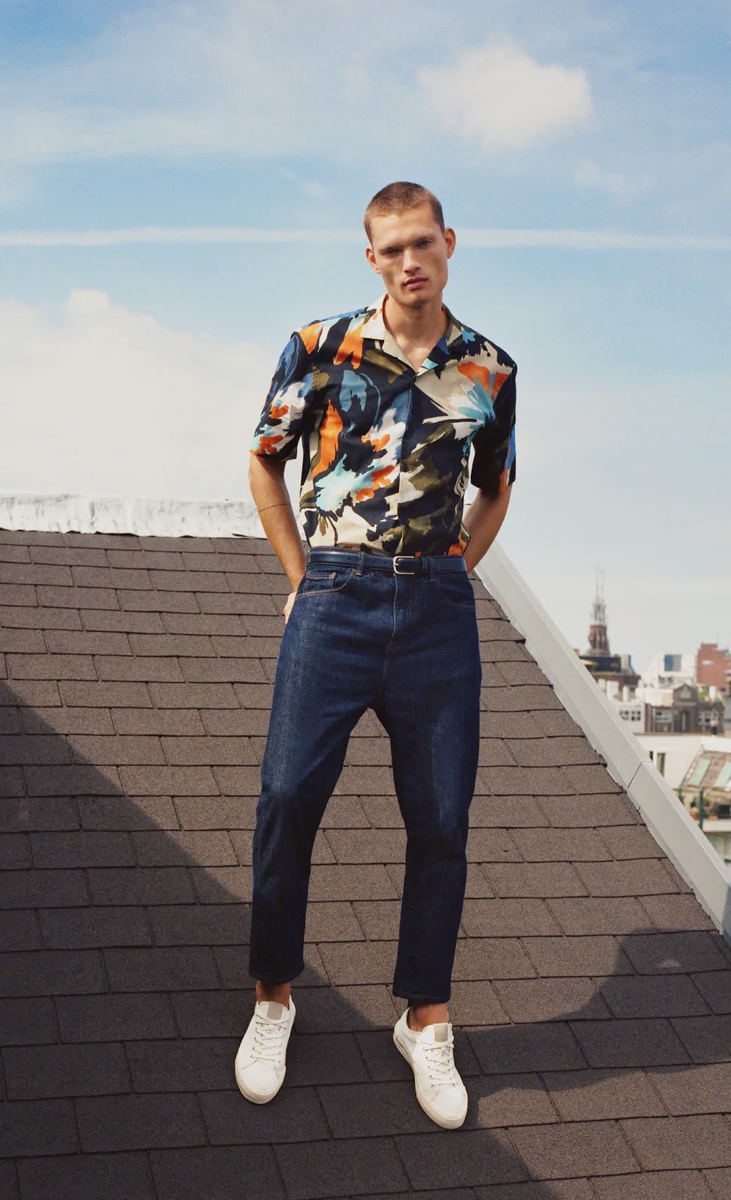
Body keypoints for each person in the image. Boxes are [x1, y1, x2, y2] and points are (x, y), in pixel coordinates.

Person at [235, 181, 516, 1130]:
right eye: (392, 247)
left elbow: (498, 488)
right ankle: (274, 995)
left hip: (436, 607)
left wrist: (454, 575)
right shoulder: (317, 348)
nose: (410, 261)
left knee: (440, 819)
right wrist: (299, 575)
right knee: (285, 796)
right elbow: (263, 462)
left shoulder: (490, 369)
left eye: (424, 243)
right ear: (371, 257)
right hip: (336, 594)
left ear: (449, 244)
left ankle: (424, 1017)